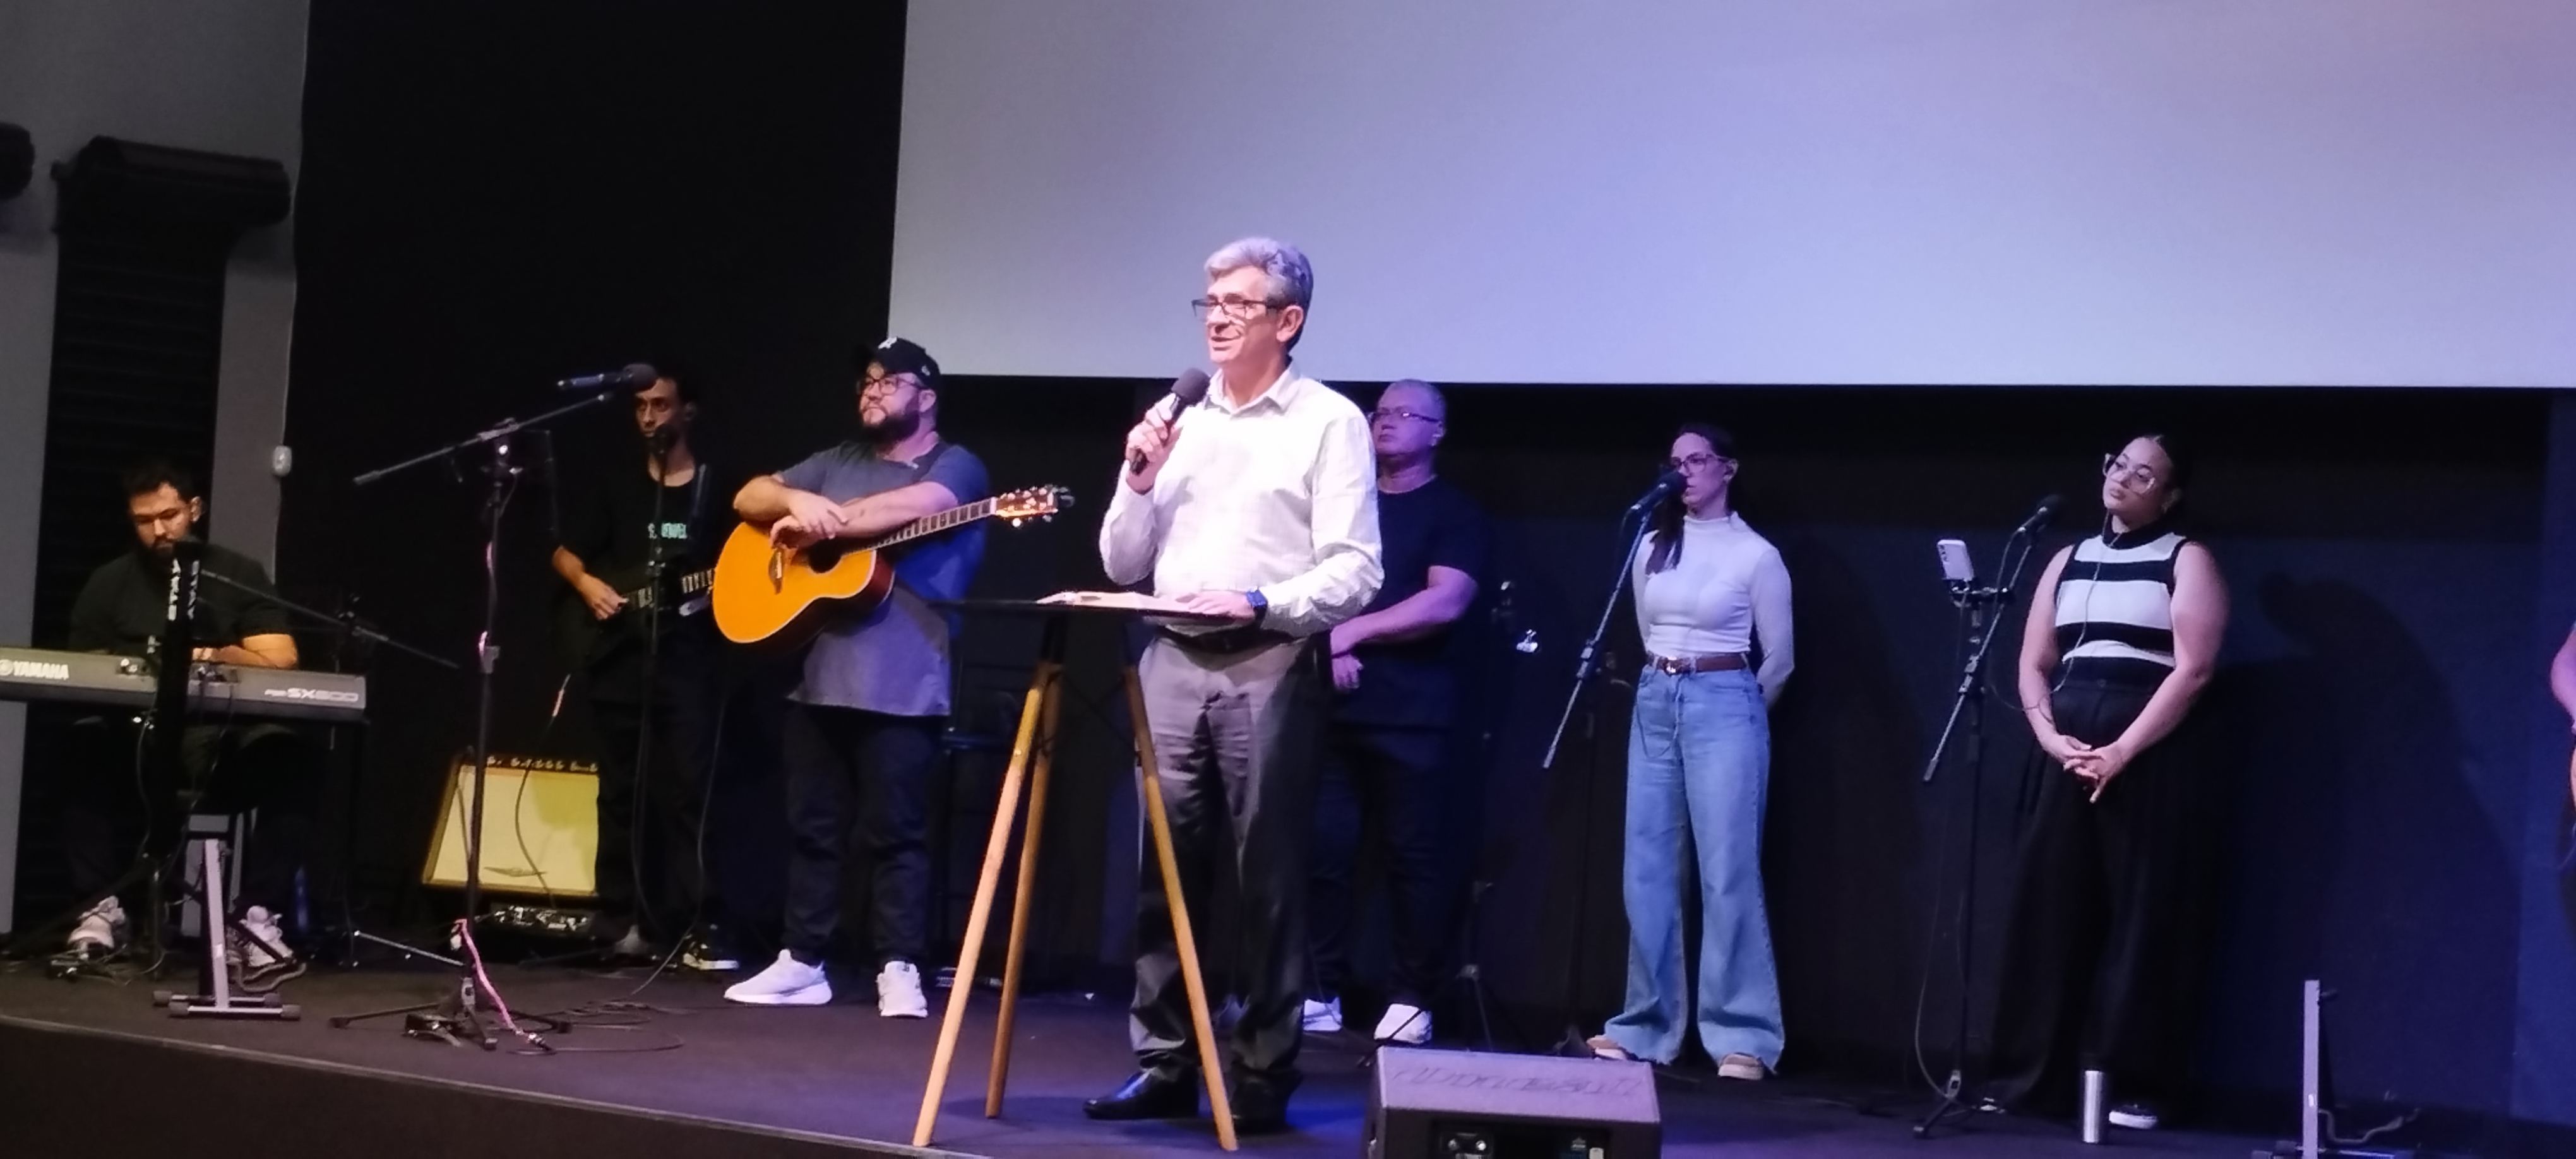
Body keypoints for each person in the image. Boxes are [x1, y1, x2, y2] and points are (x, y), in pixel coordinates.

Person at [1087, 237, 1381, 1134]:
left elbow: (1357, 570)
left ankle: (1259, 1070)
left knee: (1268, 879)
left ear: (1287, 321)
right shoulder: (1178, 419)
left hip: (1269, 658)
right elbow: (1121, 561)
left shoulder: (1328, 422)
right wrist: (1138, 478)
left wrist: (1259, 600)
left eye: (1239, 304)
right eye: (1209, 302)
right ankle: (1166, 1062)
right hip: (1170, 659)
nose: (1217, 318)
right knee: (1162, 872)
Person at [722, 337, 988, 1018]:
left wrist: (821, 522)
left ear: (927, 398)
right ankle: (803, 962)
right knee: (812, 826)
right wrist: (794, 499)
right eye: (867, 380)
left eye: (889, 382)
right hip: (818, 675)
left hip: (904, 682)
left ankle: (899, 967)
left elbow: (911, 507)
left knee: (897, 832)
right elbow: (749, 495)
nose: (871, 390)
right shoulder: (836, 460)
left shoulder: (957, 465)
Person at [1981, 434, 2227, 1132]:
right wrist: (2049, 737)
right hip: (2066, 752)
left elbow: (2194, 669)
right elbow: (2034, 663)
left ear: (2169, 496)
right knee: (2047, 913)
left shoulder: (2186, 558)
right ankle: (2032, 1078)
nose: (2123, 478)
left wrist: (2122, 750)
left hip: (2149, 755)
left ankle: (2137, 1084)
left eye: (2143, 474)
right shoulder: (2068, 559)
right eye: (2119, 464)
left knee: (2142, 923)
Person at [1588, 424, 1794, 1082]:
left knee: (1726, 868)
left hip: (1725, 698)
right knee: (1647, 867)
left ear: (1727, 469)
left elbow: (1780, 658)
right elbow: (1647, 629)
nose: (1684, 473)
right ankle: (1647, 1026)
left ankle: (1743, 1034)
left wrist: (1740, 715)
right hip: (1657, 695)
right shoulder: (1652, 545)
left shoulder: (1755, 554)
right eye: (1675, 463)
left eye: (1697, 461)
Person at [61, 460, 312, 978]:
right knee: (78, 745)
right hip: (138, 744)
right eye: (144, 520)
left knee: (295, 761)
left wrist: (214, 655)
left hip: (216, 745)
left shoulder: (238, 574)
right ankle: (100, 910)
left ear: (194, 509)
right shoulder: (109, 583)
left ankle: (254, 919)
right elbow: (83, 669)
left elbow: (281, 657)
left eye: (169, 516)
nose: (159, 530)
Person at [1301, 379, 1491, 1046]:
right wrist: (1328, 643)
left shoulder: (1454, 513)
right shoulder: (1345, 507)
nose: (1385, 423)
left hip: (1413, 716)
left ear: (1438, 431)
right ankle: (1319, 990)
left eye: (1404, 414)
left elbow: (1445, 601)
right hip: (1333, 710)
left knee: (1415, 860)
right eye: (1379, 413)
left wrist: (1353, 633)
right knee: (1323, 855)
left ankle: (1412, 999)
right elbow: (1310, 586)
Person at [549, 369, 739, 969]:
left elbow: (740, 569)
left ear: (688, 412)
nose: (650, 417)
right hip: (619, 657)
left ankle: (697, 922)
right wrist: (589, 586)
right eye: (640, 407)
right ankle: (617, 917)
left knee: (689, 794)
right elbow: (564, 553)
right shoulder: (617, 485)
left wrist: (720, 591)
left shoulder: (715, 489)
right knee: (618, 793)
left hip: (687, 661)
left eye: (661, 405)